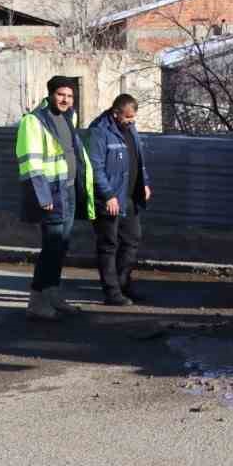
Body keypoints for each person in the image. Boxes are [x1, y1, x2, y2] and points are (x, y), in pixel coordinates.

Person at [15, 75, 97, 321]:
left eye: (70, 96)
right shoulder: (34, 121)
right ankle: (36, 301)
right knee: (51, 247)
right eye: (61, 94)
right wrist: (42, 195)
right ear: (50, 94)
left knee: (61, 247)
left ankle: (53, 295)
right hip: (51, 193)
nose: (65, 99)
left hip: (69, 190)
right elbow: (31, 162)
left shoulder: (68, 118)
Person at [85, 93, 152, 306]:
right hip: (109, 199)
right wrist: (108, 195)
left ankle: (123, 284)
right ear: (116, 113)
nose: (132, 121)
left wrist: (145, 182)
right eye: (128, 117)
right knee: (108, 245)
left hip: (129, 196)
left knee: (132, 239)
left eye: (134, 117)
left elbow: (138, 158)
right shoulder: (99, 131)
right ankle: (112, 292)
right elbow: (94, 168)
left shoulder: (129, 128)